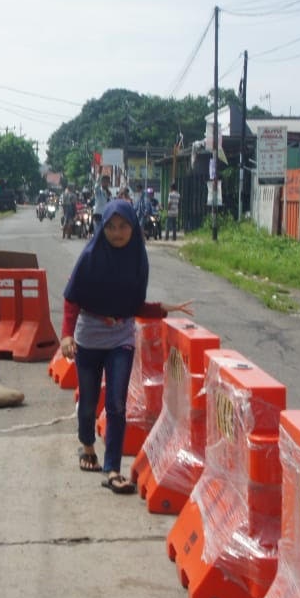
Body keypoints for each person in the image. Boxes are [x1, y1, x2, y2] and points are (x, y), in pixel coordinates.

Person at [60, 199, 194, 494]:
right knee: (89, 400)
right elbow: (72, 299)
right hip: (89, 335)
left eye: (123, 227)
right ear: (102, 228)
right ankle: (87, 446)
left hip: (121, 336)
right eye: (111, 227)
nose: (117, 233)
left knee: (117, 404)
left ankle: (112, 469)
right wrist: (67, 335)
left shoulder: (138, 259)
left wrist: (164, 308)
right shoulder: (90, 256)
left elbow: (134, 306)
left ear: (133, 228)